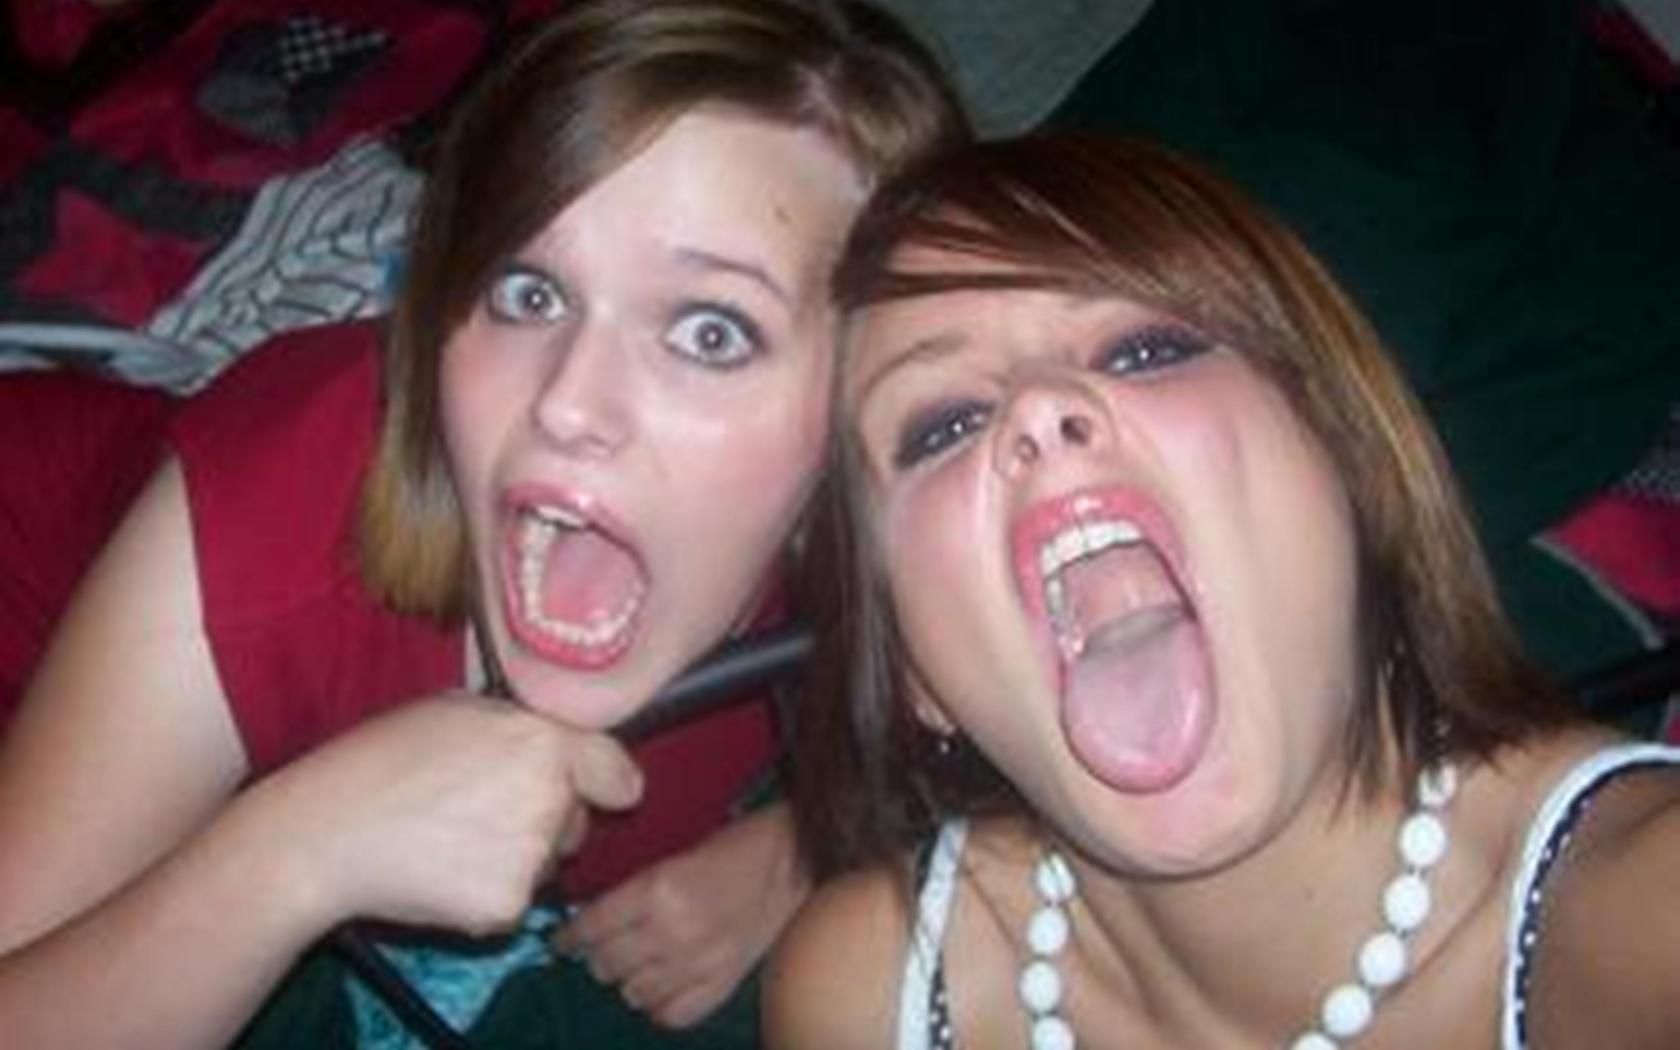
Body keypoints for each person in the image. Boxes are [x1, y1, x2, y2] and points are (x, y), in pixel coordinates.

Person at [0, 1, 964, 1046]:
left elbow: (995, 743)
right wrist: (293, 854)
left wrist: (800, 848)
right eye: (529, 292)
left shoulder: (895, 552)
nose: (566, 403)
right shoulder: (259, 538)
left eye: (710, 332)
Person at [766, 133, 1680, 1049]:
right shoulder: (862, 996)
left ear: (1350, 469)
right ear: (913, 670)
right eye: (945, 425)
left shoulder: (1643, 927)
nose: (1037, 408)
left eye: (1144, 349)